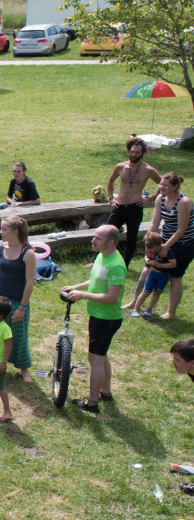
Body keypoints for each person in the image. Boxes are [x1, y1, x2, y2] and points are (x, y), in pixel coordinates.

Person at [62, 224, 126, 414]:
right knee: (102, 354)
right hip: (98, 315)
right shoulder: (102, 256)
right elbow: (96, 280)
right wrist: (76, 286)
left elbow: (112, 297)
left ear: (111, 242)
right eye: (94, 236)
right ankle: (105, 392)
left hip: (106, 318)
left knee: (95, 359)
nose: (93, 240)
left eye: (98, 238)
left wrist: (84, 295)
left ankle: (92, 403)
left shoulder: (116, 265)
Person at [0, 215, 36, 381]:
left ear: (15, 231)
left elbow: (29, 282)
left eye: (4, 229)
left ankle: (23, 369)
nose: (0, 232)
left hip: (17, 301)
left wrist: (22, 307)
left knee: (18, 336)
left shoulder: (27, 253)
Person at [106, 137, 161, 268]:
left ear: (142, 153)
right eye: (132, 152)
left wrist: (150, 198)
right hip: (119, 206)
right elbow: (110, 181)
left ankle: (124, 266)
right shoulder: (120, 166)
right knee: (106, 233)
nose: (133, 154)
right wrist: (110, 198)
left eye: (137, 152)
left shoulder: (148, 170)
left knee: (131, 240)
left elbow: (163, 184)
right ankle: (100, 260)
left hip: (135, 208)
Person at [146, 171, 194, 319]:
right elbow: (154, 223)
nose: (161, 187)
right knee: (148, 269)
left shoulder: (184, 202)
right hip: (164, 241)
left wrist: (165, 247)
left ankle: (171, 312)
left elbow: (181, 229)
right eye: (161, 183)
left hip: (184, 244)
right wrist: (148, 242)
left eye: (165, 185)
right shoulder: (161, 198)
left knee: (175, 276)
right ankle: (136, 302)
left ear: (175, 186)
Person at [124, 232, 175, 318]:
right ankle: (136, 309)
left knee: (156, 293)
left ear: (161, 243)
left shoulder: (167, 252)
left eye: (155, 249)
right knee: (145, 292)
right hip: (152, 274)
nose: (153, 251)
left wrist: (159, 265)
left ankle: (149, 309)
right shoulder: (150, 249)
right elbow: (147, 256)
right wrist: (148, 261)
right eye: (151, 250)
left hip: (163, 276)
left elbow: (173, 264)